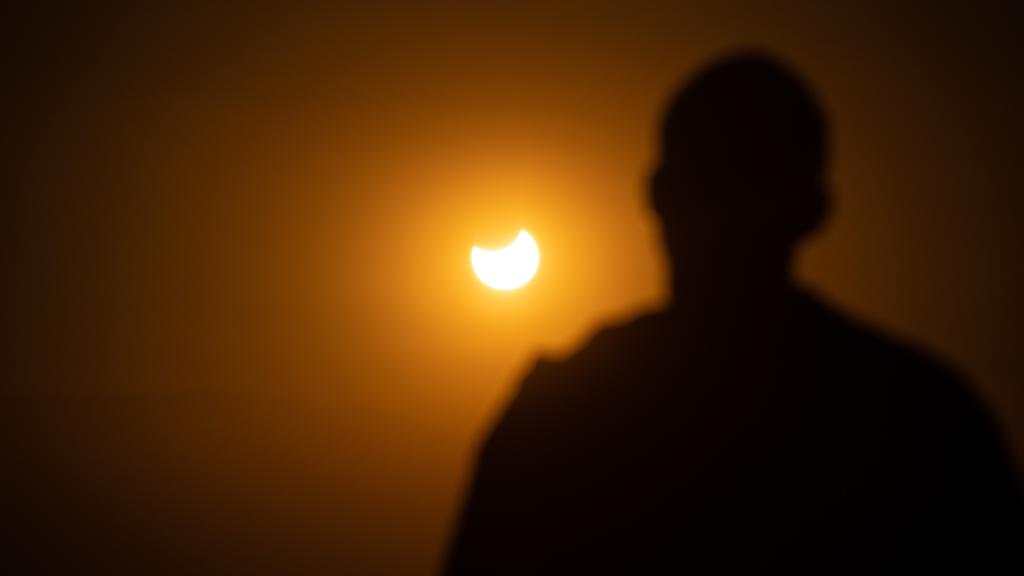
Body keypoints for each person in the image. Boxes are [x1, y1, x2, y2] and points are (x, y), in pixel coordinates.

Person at [444, 53, 1022, 574]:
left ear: (657, 193)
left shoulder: (559, 414)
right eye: (714, 181)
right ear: (817, 207)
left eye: (742, 181)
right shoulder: (920, 419)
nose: (727, 217)